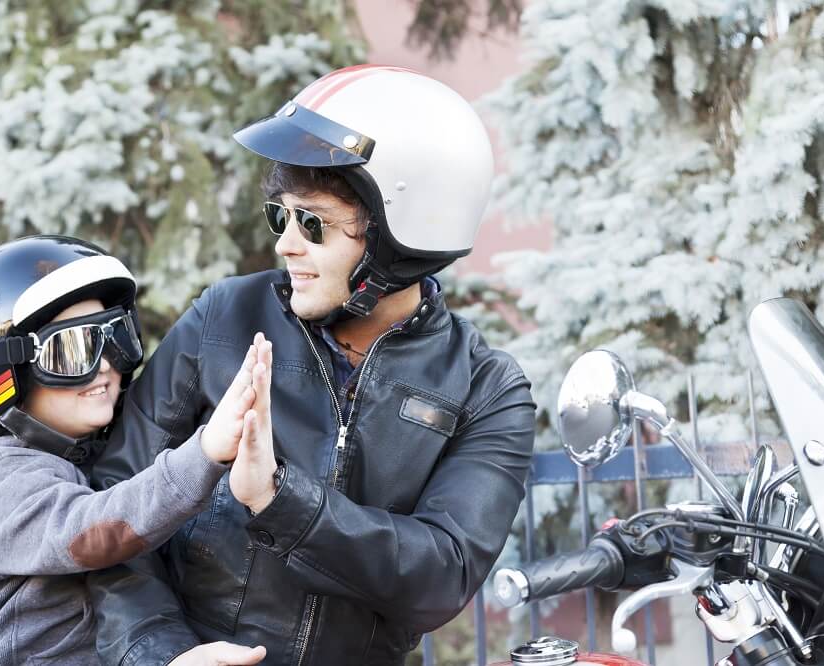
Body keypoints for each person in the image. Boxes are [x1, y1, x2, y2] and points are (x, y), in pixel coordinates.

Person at [88, 65, 537, 666]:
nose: (285, 243)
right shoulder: (225, 317)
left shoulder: (486, 387)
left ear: (403, 234)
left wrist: (279, 499)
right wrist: (160, 653)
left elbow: (441, 575)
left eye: (313, 223)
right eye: (281, 214)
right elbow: (114, 505)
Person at [0, 236, 268, 665]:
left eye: (116, 339)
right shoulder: (1, 477)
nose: (106, 365)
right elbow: (91, 532)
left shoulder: (87, 460)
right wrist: (203, 453)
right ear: (2, 377)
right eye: (73, 352)